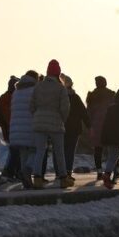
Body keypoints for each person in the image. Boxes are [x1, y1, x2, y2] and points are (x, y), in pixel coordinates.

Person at [30, 60, 72, 189]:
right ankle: (63, 178)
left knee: (40, 151)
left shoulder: (38, 86)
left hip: (39, 122)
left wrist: (37, 116)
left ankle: (37, 178)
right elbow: (65, 108)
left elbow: (31, 105)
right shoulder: (60, 88)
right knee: (59, 152)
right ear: (58, 73)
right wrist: (62, 120)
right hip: (55, 122)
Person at [9, 71, 39, 188]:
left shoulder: (16, 92)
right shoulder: (34, 91)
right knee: (35, 150)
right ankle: (27, 170)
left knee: (23, 153)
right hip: (30, 126)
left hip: (16, 128)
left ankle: (25, 178)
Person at [60, 74, 91, 184]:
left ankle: (62, 173)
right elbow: (83, 112)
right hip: (75, 129)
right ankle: (68, 172)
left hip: (61, 128)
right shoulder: (75, 97)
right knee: (70, 151)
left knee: (62, 151)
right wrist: (89, 125)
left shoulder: (60, 97)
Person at [86, 76, 116, 179]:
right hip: (110, 125)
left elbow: (88, 113)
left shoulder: (91, 96)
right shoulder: (112, 94)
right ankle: (114, 170)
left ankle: (99, 172)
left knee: (98, 150)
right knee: (112, 149)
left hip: (96, 126)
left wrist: (89, 126)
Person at [0, 76, 19, 180]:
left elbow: (2, 116)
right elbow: (7, 116)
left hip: (9, 129)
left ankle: (12, 172)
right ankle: (10, 172)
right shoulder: (13, 97)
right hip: (13, 128)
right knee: (15, 151)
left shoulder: (4, 97)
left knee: (14, 151)